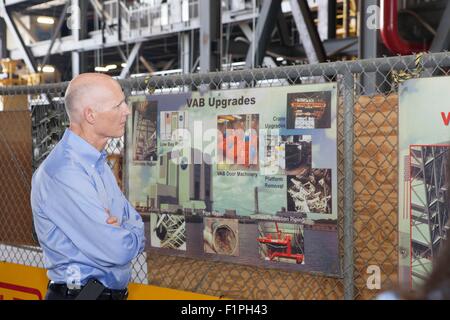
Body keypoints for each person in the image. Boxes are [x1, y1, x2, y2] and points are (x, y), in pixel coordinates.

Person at [31, 73, 145, 300]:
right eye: (118, 105)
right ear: (90, 115)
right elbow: (117, 250)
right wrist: (122, 232)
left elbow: (135, 224)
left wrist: (121, 230)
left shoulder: (96, 163)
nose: (127, 111)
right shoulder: (65, 173)